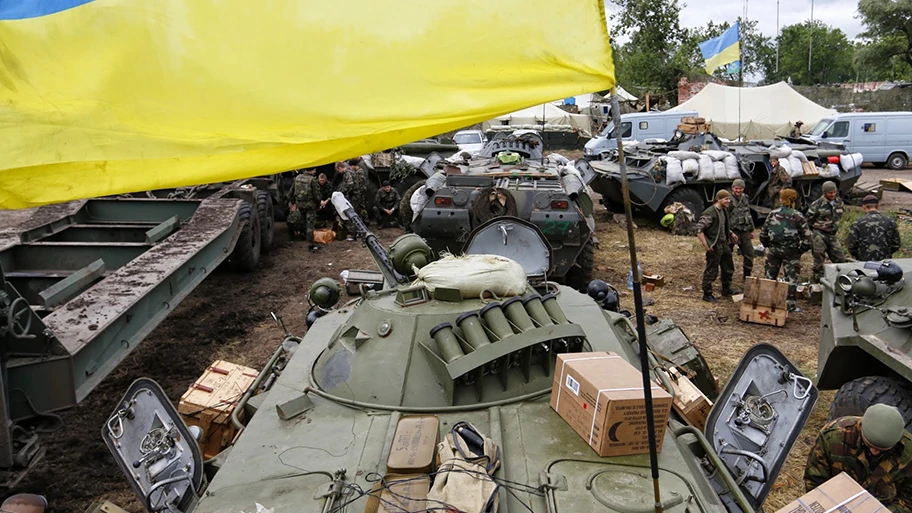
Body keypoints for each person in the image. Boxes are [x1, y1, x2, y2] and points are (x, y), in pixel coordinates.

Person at [805, 403, 912, 513]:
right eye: (870, 445)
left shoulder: (909, 453)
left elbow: (909, 498)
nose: (874, 452)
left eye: (882, 449)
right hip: (834, 504)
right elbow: (815, 481)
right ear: (861, 430)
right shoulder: (833, 437)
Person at [759, 188, 812, 312]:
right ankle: (790, 305)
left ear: (781, 199)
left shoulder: (772, 214)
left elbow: (763, 234)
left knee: (769, 277)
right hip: (791, 252)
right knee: (791, 279)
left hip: (773, 251)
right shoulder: (797, 216)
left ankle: (766, 302)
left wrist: (768, 246)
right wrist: (800, 250)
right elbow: (808, 239)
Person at [696, 190, 740, 303]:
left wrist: (730, 233)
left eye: (729, 199)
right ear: (718, 199)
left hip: (724, 243)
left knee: (728, 267)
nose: (729, 201)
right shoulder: (710, 213)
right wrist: (707, 245)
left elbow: (721, 225)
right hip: (714, 245)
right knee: (712, 270)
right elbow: (699, 230)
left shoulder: (723, 210)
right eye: (726, 199)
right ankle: (707, 294)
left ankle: (726, 289)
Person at [807, 181, 847, 283]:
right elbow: (809, 220)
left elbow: (840, 216)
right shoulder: (817, 204)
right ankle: (816, 283)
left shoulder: (839, 202)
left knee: (840, 259)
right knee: (818, 262)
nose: (833, 195)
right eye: (830, 193)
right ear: (824, 193)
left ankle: (841, 281)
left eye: (834, 192)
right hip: (819, 235)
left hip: (832, 235)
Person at [847, 195, 902, 261]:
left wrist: (860, 255)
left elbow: (851, 246)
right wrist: (886, 253)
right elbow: (896, 244)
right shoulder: (890, 221)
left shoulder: (858, 223)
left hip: (864, 262)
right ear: (878, 206)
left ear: (864, 206)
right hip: (884, 262)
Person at [286, 169, 321, 251]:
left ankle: (305, 237)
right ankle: (310, 244)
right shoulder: (312, 180)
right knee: (310, 224)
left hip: (300, 204)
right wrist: (318, 204)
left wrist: (293, 203)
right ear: (312, 171)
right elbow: (317, 195)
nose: (315, 172)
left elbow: (290, 192)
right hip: (310, 205)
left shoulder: (297, 178)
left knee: (304, 221)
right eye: (314, 170)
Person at [728, 178, 755, 279]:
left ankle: (746, 276)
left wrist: (751, 229)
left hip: (744, 230)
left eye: (740, 188)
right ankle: (727, 276)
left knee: (749, 254)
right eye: (736, 188)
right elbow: (724, 218)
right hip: (732, 230)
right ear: (732, 188)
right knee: (727, 255)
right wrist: (728, 233)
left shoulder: (745, 198)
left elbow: (748, 213)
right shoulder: (728, 200)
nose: (738, 191)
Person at [336, 161, 359, 241]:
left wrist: (345, 194)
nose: (339, 172)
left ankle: (354, 235)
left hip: (353, 197)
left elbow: (350, 185)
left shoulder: (347, 173)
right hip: (356, 196)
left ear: (340, 168)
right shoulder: (351, 171)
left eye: (338, 170)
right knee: (355, 215)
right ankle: (357, 232)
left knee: (350, 215)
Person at [348, 157, 369, 221]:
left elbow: (361, 184)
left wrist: (359, 192)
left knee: (362, 206)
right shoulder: (357, 171)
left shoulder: (360, 172)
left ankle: (366, 220)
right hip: (359, 192)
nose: (351, 168)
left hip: (361, 192)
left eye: (351, 166)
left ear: (354, 166)